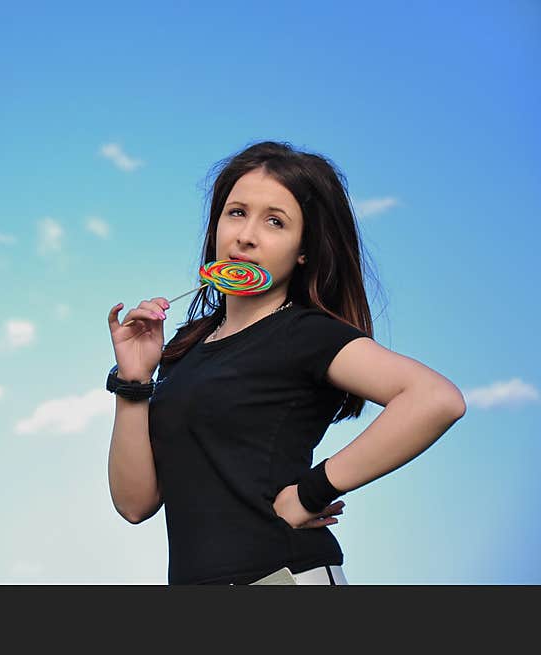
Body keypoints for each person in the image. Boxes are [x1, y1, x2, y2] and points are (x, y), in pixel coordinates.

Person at [105, 140, 467, 585]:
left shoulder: (306, 333)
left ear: (304, 250)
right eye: (236, 212)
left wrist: (311, 492)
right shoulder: (186, 347)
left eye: (275, 222)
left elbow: (436, 399)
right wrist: (133, 380)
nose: (246, 235)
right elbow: (134, 504)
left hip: (283, 578)